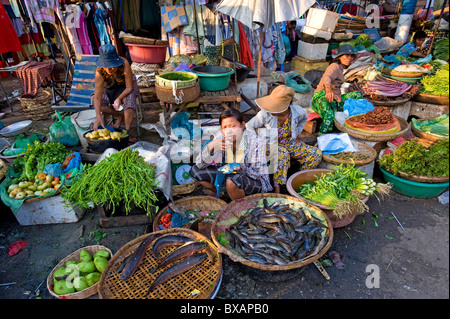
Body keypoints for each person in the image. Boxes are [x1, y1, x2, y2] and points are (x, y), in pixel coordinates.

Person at [246, 85, 322, 194]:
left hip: (289, 143)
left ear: (285, 106)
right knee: (282, 153)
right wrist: (258, 142)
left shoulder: (297, 111)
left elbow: (303, 119)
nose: (271, 109)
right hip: (270, 145)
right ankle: (279, 189)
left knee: (315, 153)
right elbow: (249, 126)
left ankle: (299, 180)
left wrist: (297, 135)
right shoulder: (264, 114)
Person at [189, 108, 272, 200]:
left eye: (233, 126)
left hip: (254, 181)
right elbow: (200, 165)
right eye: (225, 127)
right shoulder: (221, 137)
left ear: (242, 125)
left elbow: (257, 173)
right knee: (195, 171)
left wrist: (241, 168)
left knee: (232, 180)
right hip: (228, 175)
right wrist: (211, 146)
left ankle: (240, 205)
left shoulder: (256, 141)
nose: (229, 131)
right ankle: (222, 195)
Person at [311, 44, 364, 135]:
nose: (350, 58)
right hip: (321, 97)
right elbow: (327, 77)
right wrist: (328, 90)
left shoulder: (340, 68)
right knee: (329, 116)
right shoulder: (334, 66)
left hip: (335, 98)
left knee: (357, 95)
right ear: (340, 56)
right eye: (347, 56)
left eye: (351, 56)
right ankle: (321, 138)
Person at [92, 44, 139, 138]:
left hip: (126, 87)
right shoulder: (100, 71)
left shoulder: (124, 63)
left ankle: (127, 132)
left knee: (129, 101)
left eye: (112, 66)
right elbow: (97, 96)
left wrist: (119, 98)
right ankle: (120, 116)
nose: (109, 69)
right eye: (106, 66)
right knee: (95, 101)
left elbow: (129, 88)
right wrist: (98, 116)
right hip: (110, 87)